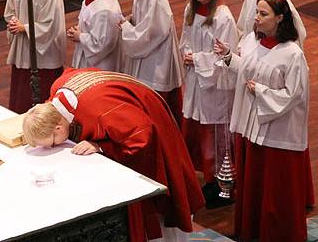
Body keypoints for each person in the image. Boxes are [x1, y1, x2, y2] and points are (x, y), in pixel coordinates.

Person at [22, 68, 204, 242]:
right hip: (130, 108)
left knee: (163, 202)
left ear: (59, 128)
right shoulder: (56, 96)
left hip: (151, 122)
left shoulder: (97, 111)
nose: (56, 145)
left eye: (53, 142)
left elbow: (140, 136)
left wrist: (101, 146)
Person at [215, 0, 314, 241]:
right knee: (255, 190)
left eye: (263, 14)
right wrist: (229, 57)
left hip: (277, 134)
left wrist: (260, 91)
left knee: (275, 194)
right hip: (252, 130)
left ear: (280, 18)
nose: (256, 18)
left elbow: (294, 95)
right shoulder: (253, 42)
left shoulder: (292, 54)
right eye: (256, 13)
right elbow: (250, 69)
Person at [179, 0, 238, 207]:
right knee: (203, 133)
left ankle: (225, 183)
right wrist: (187, 54)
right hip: (196, 80)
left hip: (216, 86)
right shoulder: (190, 12)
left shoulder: (223, 17)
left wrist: (198, 58)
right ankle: (210, 178)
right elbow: (185, 40)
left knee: (217, 134)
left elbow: (226, 54)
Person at [120, 0, 183, 125]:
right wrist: (132, 19)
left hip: (156, 59)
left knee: (159, 110)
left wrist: (126, 27)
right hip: (149, 54)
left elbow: (153, 32)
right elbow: (147, 19)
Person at [4, 0, 66, 113]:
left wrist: (24, 28)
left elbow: (51, 25)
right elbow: (10, 10)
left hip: (42, 56)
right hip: (22, 45)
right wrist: (14, 22)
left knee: (42, 99)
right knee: (21, 93)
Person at [68, 0, 123, 72]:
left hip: (101, 67)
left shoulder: (105, 9)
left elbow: (103, 45)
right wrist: (79, 29)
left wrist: (80, 36)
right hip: (89, 60)